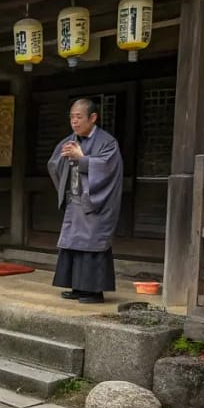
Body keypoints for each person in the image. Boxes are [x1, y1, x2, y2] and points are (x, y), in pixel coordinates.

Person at [47, 98, 123, 304]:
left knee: (92, 245)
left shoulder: (107, 142)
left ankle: (94, 291)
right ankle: (77, 287)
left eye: (79, 117)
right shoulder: (70, 139)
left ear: (93, 118)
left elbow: (107, 168)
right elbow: (54, 164)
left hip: (95, 203)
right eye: (72, 117)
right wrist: (64, 159)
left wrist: (82, 159)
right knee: (73, 244)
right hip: (75, 201)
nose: (74, 122)